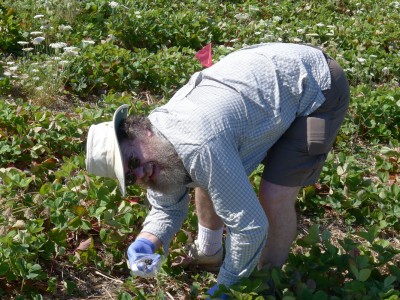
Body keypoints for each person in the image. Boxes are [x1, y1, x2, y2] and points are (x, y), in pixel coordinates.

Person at [85, 43, 350, 297]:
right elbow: (167, 208)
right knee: (208, 173)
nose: (139, 174)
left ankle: (264, 283)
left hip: (315, 85)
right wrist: (146, 242)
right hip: (265, 84)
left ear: (142, 130)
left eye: (132, 162)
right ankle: (210, 252)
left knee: (274, 195)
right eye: (130, 177)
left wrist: (227, 289)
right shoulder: (158, 146)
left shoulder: (199, 144)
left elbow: (249, 228)